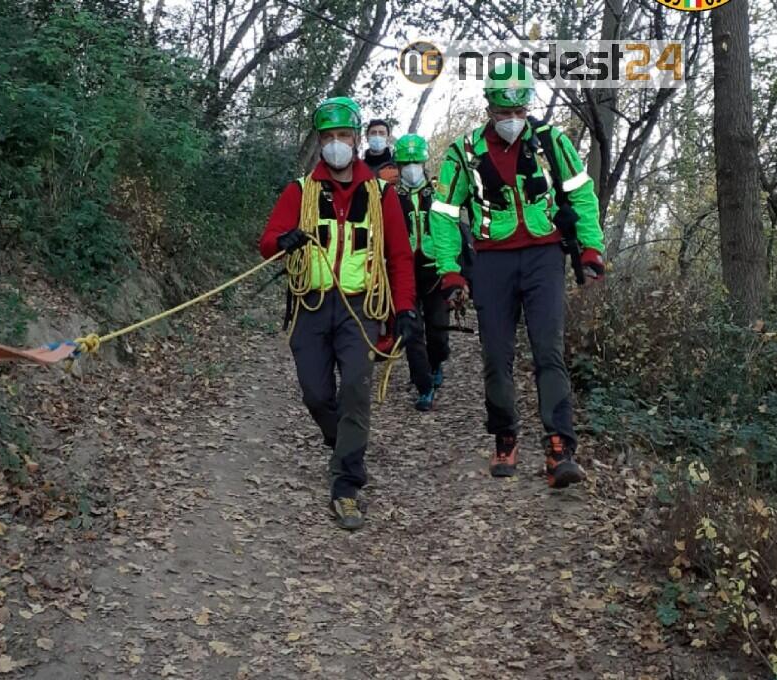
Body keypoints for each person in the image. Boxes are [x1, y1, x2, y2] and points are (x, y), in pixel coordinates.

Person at [428, 61, 604, 488]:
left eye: (518, 111)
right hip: (491, 260)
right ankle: (505, 434)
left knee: (549, 351)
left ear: (528, 105)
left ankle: (560, 448)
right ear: (488, 108)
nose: (511, 120)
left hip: (544, 255)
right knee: (496, 355)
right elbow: (445, 215)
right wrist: (450, 271)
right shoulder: (463, 153)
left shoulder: (551, 142)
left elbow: (581, 194)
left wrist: (591, 247)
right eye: (502, 112)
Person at [259, 96, 418, 531]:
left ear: (356, 138)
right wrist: (284, 241)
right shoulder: (302, 189)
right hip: (310, 305)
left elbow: (400, 257)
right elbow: (268, 242)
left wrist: (404, 309)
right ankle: (343, 442)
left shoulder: (381, 193)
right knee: (315, 394)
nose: (335, 145)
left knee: (355, 390)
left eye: (342, 136)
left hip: (360, 308)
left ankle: (346, 482)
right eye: (327, 138)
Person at [392, 134, 449, 412]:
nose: (411, 167)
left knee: (437, 331)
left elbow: (452, 229)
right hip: (404, 273)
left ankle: (437, 362)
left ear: (424, 161)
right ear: (398, 165)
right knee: (411, 333)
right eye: (406, 162)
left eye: (416, 161)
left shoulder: (439, 192)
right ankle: (424, 386)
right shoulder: (389, 196)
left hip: (434, 270)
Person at [362, 118, 399, 184]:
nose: (377, 136)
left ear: (388, 138)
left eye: (382, 133)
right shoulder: (358, 167)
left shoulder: (395, 168)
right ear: (367, 137)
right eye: (373, 133)